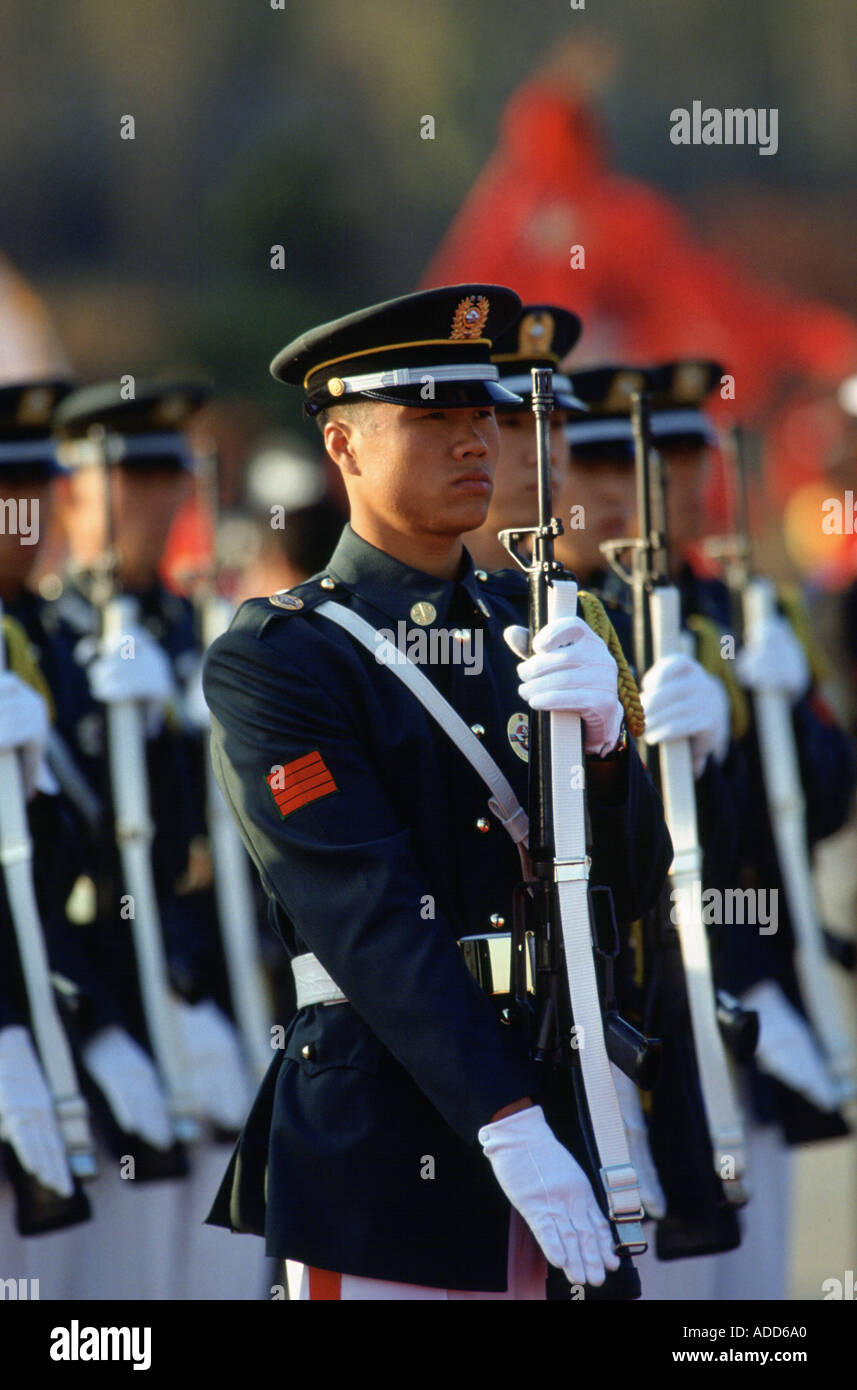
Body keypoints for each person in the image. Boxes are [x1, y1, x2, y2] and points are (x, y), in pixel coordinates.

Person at [202, 284, 672, 1300]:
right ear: (343, 448)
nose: (473, 443)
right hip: (384, 1153)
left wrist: (603, 751)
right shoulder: (282, 656)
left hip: (561, 1114)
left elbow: (630, 888)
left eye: (482, 416)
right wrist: (505, 1123)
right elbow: (368, 919)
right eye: (429, 419)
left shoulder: (538, 620)